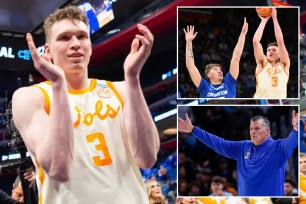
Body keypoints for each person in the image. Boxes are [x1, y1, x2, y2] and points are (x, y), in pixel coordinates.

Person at [12, 6, 159, 204]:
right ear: (48, 50)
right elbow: (59, 168)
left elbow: (147, 158)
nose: (75, 44)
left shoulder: (122, 89)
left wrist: (133, 78)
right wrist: (59, 85)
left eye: (82, 36)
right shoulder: (30, 97)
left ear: (90, 44)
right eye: (64, 38)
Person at [178, 110, 298, 196]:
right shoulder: (243, 147)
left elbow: (291, 142)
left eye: (257, 128)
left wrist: (295, 130)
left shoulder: (279, 147)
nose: (252, 132)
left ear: (267, 131)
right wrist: (193, 130)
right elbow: (219, 144)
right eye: (251, 129)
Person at [183, 18, 248, 98]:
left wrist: (243, 34)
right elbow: (190, 66)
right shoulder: (204, 87)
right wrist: (189, 42)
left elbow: (236, 57)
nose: (219, 71)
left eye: (220, 70)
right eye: (215, 69)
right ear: (209, 74)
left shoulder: (229, 81)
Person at [253, 7, 290, 98]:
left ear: (279, 54)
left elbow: (280, 42)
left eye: (274, 50)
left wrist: (274, 18)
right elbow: (255, 42)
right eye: (268, 50)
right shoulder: (262, 63)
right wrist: (264, 21)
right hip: (260, 101)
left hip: (279, 102)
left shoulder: (284, 64)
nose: (270, 51)